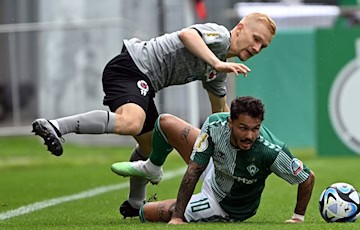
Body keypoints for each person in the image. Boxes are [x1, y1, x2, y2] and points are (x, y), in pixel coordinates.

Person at [31, 13, 276, 217]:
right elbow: (187, 34)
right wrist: (218, 63)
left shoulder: (218, 71)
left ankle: (135, 202)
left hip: (145, 82)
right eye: (255, 39)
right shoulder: (220, 36)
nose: (256, 48)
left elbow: (221, 114)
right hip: (131, 67)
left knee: (150, 146)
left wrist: (237, 142)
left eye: (262, 46)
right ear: (240, 28)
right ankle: (55, 126)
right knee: (131, 122)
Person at [111, 96, 315, 223]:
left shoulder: (270, 151)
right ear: (230, 122)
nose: (249, 136)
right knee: (165, 122)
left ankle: (139, 206)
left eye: (255, 129)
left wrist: (298, 218)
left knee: (146, 213)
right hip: (216, 169)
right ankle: (153, 167)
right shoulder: (214, 126)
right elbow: (194, 169)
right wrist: (177, 217)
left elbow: (307, 178)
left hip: (223, 204)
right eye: (243, 128)